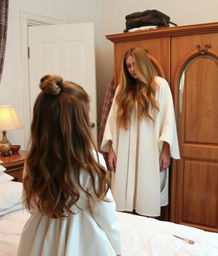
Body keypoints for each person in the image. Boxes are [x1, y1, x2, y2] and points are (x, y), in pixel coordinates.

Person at [18, 75, 122, 256]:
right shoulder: (91, 160)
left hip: (40, 234)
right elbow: (105, 213)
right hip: (83, 235)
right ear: (79, 123)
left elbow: (34, 204)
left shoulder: (34, 160)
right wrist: (117, 247)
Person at [101, 47, 180, 217]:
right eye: (128, 66)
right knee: (123, 199)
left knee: (147, 195)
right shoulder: (122, 89)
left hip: (149, 150)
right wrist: (111, 150)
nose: (132, 70)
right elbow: (112, 121)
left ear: (143, 63)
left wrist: (166, 150)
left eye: (135, 65)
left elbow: (169, 120)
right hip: (123, 149)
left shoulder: (160, 85)